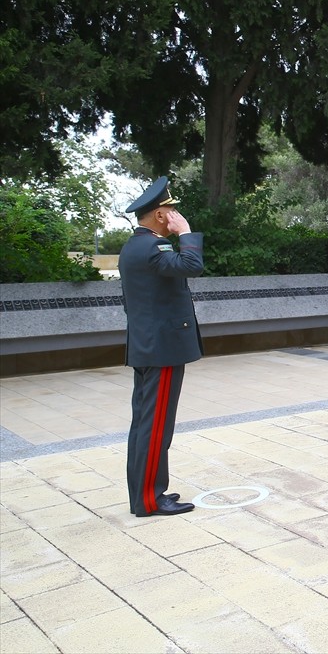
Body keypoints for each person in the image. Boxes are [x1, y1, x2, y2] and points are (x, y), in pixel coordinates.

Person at [118, 176, 204, 518]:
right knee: (155, 427)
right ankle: (150, 499)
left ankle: (145, 493)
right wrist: (186, 233)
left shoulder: (133, 246)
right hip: (161, 349)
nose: (176, 215)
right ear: (159, 216)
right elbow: (191, 266)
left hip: (147, 346)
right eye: (172, 211)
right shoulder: (153, 247)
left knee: (145, 423)